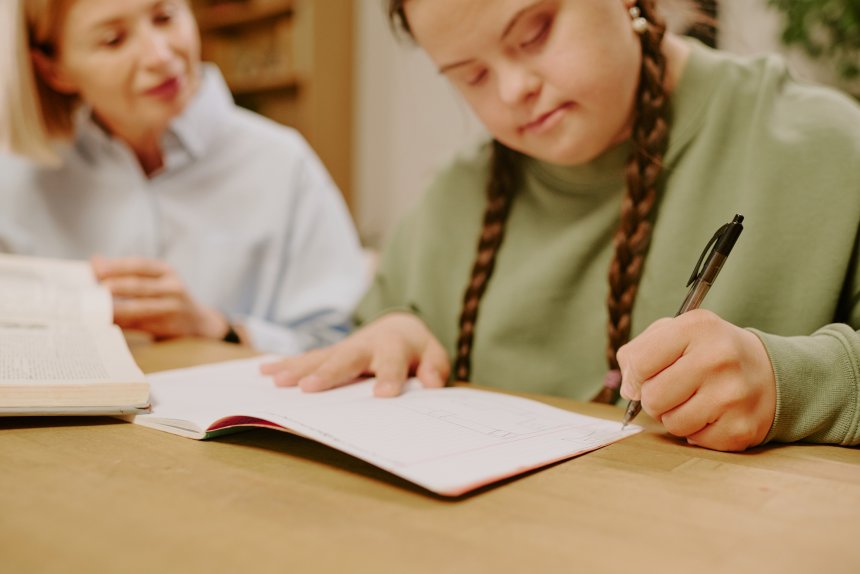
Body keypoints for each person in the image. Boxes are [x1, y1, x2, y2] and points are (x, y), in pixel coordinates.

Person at [262, 0, 860, 452]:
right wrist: (393, 338)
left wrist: (789, 383)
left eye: (536, 32)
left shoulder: (824, 149)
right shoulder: (450, 203)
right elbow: (370, 334)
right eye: (470, 76)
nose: (514, 89)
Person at [0, 0, 367, 354]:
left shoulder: (284, 163)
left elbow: (342, 346)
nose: (160, 56)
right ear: (53, 69)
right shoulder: (20, 181)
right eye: (114, 40)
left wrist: (219, 329)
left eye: (164, 17)